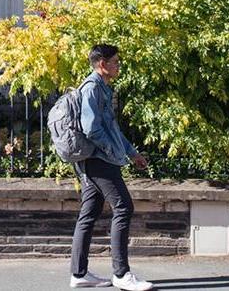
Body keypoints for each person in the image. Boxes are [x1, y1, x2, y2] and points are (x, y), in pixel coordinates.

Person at [69, 44, 155, 291]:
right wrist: (111, 151)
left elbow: (113, 129)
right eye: (115, 61)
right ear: (102, 64)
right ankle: (121, 274)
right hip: (98, 160)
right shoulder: (92, 88)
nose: (118, 65)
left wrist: (131, 152)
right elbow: (91, 128)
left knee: (89, 213)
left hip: (101, 158)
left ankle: (79, 274)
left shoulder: (103, 88)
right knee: (123, 208)